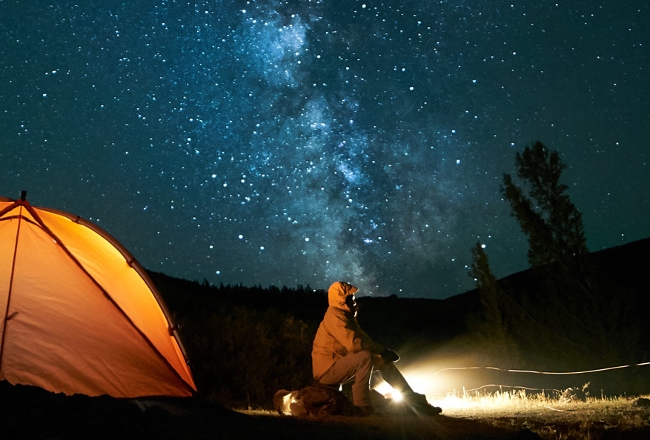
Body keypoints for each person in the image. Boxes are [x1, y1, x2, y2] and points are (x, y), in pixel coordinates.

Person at [311, 281, 441, 415]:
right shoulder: (334, 316)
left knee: (383, 361)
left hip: (337, 367)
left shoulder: (345, 316)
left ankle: (414, 401)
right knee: (364, 356)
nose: (354, 301)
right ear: (341, 299)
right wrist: (383, 350)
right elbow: (355, 344)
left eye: (353, 297)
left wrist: (383, 353)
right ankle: (361, 405)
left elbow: (365, 340)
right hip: (326, 372)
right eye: (350, 298)